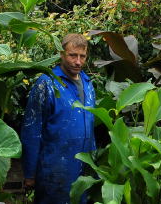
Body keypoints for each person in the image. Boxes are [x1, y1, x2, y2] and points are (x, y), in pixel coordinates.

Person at [21, 34, 96, 204]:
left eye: (82, 56)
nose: (78, 62)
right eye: (72, 55)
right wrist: (29, 174)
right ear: (61, 54)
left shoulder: (88, 84)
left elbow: (90, 127)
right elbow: (32, 131)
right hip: (54, 172)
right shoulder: (46, 84)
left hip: (83, 172)